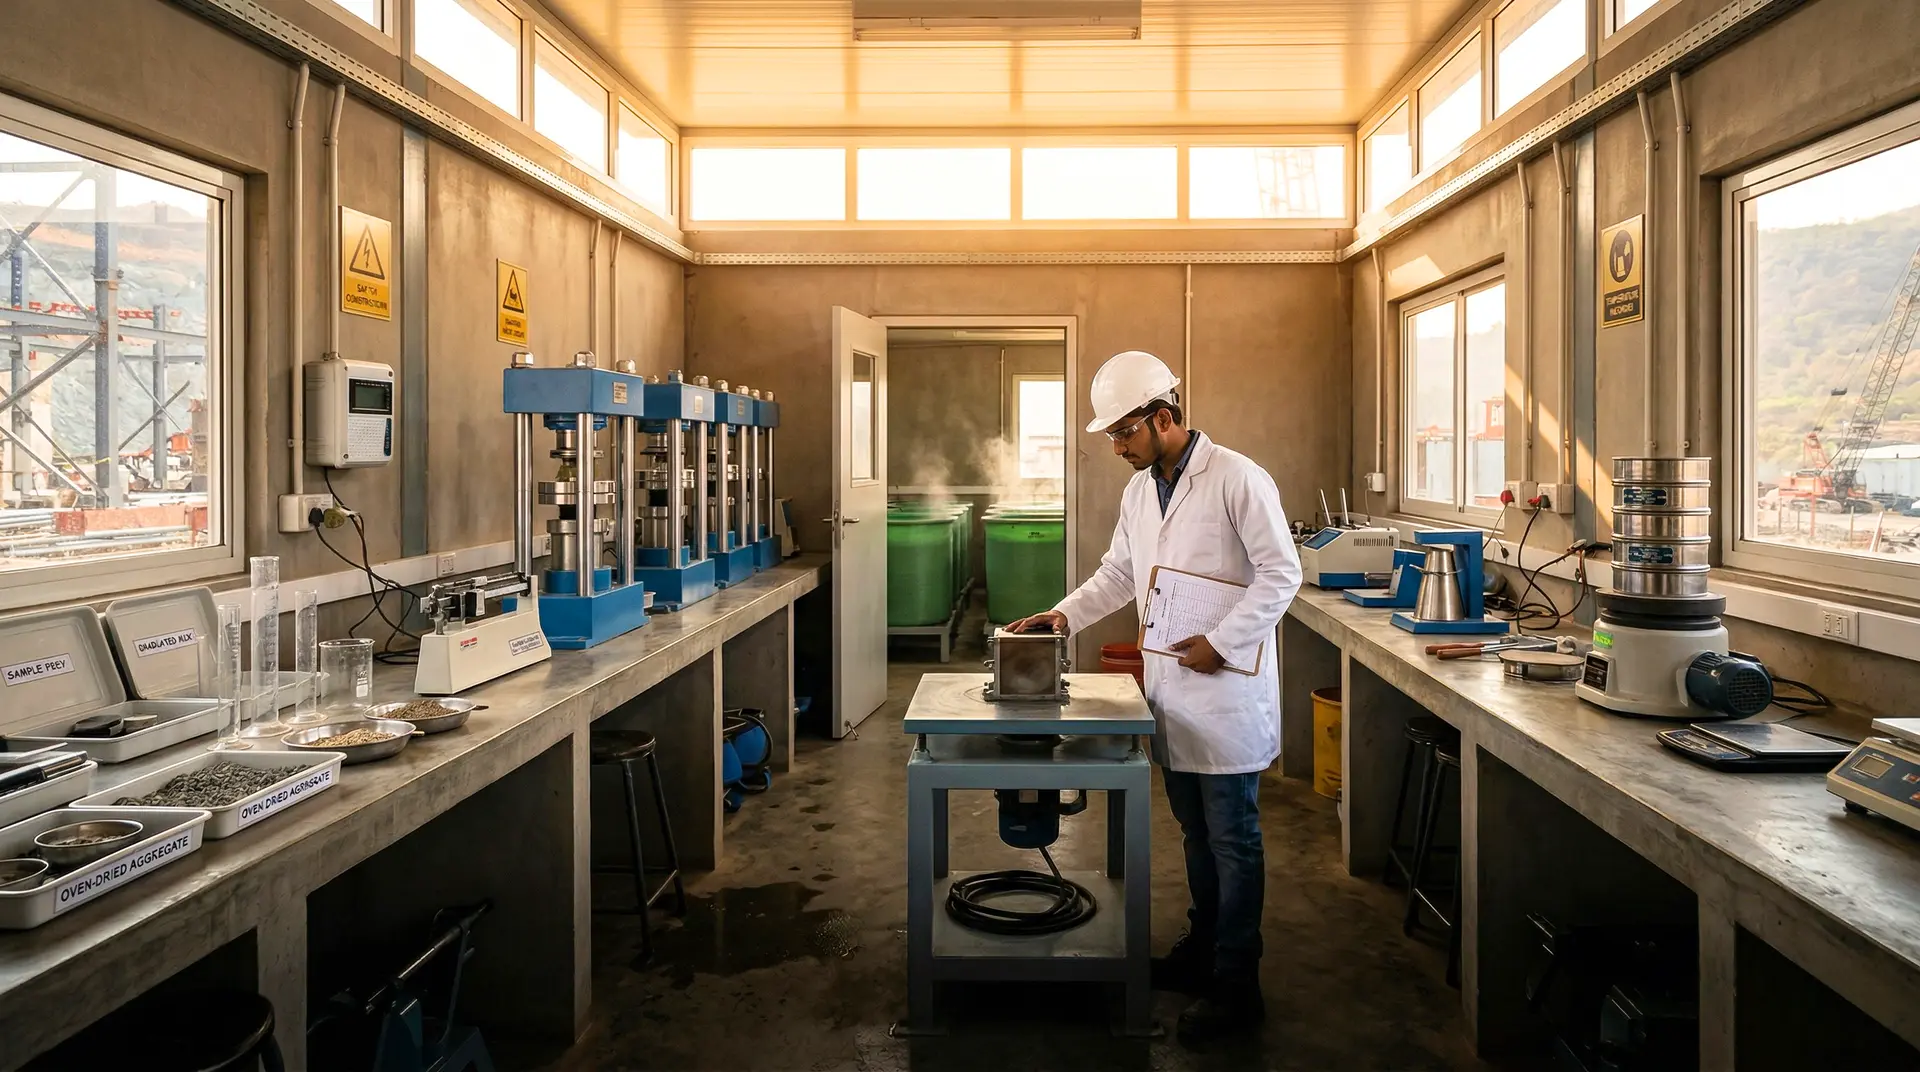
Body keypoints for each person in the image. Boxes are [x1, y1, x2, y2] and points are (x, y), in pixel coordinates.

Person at [1008, 350, 1302, 1044]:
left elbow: (1280, 572)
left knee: (1234, 839)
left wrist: (1223, 643)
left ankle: (1238, 985)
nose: (1115, 447)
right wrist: (1064, 615)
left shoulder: (1236, 477)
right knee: (1196, 835)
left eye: (1122, 433)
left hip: (1224, 693)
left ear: (1162, 417)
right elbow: (1119, 572)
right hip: (1171, 692)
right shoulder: (1142, 490)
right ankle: (1203, 955)